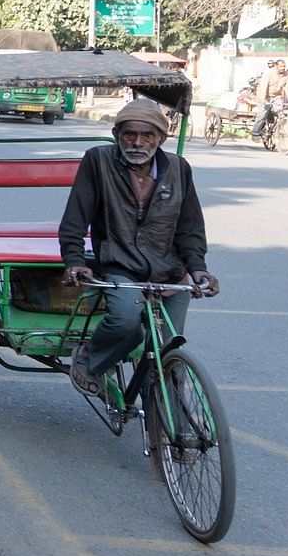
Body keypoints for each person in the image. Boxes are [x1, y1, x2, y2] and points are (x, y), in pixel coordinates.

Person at [59, 99, 218, 398]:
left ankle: (168, 428)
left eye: (147, 136)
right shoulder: (98, 161)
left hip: (170, 270)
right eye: (129, 135)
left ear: (161, 139)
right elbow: (75, 218)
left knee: (169, 350)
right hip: (120, 264)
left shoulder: (179, 169)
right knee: (126, 323)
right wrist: (74, 259)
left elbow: (190, 227)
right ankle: (89, 358)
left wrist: (198, 268)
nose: (137, 143)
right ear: (116, 134)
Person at [252, 59, 288, 138]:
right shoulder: (268, 73)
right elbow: (264, 87)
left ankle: (281, 129)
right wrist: (263, 100)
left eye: (284, 66)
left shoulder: (287, 75)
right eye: (281, 66)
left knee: (281, 113)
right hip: (265, 95)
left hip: (276, 96)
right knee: (262, 114)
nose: (283, 68)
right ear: (276, 66)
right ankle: (255, 133)